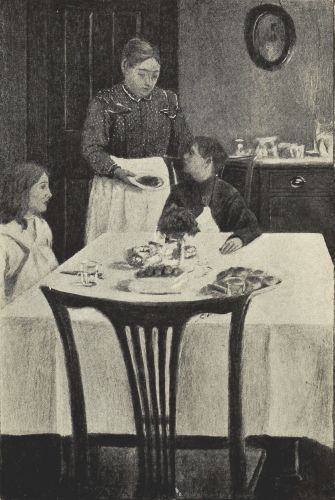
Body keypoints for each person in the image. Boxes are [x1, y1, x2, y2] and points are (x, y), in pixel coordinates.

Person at [82, 37, 193, 241]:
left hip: (157, 186)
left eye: (154, 76)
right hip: (116, 186)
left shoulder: (168, 99)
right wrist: (116, 171)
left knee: (155, 242)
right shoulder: (105, 101)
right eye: (142, 74)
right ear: (125, 66)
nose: (148, 82)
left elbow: (185, 142)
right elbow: (91, 149)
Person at [158, 136, 261, 253]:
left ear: (207, 162)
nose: (185, 156)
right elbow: (163, 227)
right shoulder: (178, 191)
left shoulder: (228, 194)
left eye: (191, 153)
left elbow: (252, 227)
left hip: (220, 254)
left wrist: (239, 239)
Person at [0, 162, 58, 308]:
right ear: (23, 190)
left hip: (48, 306)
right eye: (43, 186)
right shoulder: (4, 237)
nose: (49, 194)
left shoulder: (42, 227)